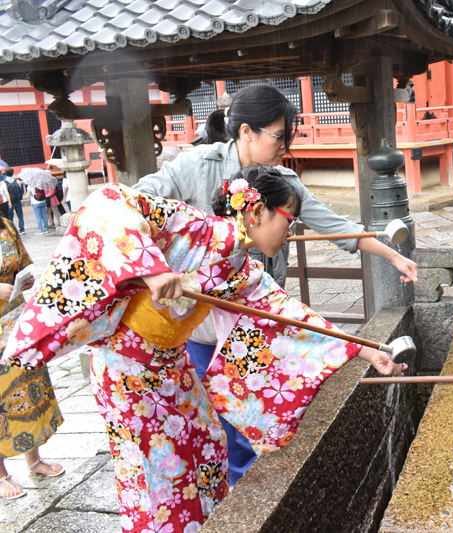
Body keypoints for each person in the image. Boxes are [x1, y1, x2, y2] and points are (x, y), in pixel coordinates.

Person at [1, 166, 405, 530]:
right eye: (289, 219)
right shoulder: (190, 224)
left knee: (209, 444)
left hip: (171, 363)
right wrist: (150, 267)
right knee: (156, 473)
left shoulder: (241, 269)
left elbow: (294, 317)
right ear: (257, 211)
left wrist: (366, 350)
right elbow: (105, 201)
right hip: (126, 370)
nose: (292, 230)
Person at [133, 83, 418, 485]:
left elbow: (290, 299)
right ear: (246, 132)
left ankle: (245, 488)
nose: (287, 145)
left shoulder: (273, 203)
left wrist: (367, 346)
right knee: (203, 430)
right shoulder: (196, 172)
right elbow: (130, 207)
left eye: (291, 136)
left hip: (251, 320)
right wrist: (153, 268)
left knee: (251, 408)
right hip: (189, 332)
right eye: (280, 135)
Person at [0, 211, 64, 499]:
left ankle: (34, 460)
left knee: (29, 389)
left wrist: (24, 281)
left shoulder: (5, 224)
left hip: (15, 323)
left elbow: (22, 264)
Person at [5, 169, 24, 234]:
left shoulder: (4, 182)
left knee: (10, 217)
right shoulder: (17, 181)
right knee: (20, 216)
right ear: (13, 173)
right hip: (18, 201)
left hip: (9, 202)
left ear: (5, 173)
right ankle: (22, 229)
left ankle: (11, 230)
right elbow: (20, 190)